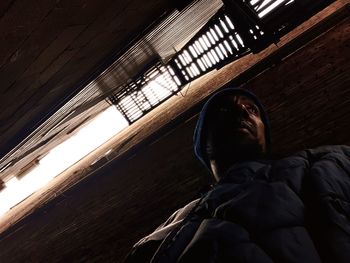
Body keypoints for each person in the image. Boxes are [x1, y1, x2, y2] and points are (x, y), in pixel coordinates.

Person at [125, 88, 350, 263]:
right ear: (205, 145)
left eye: (252, 110)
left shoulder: (328, 162)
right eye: (223, 111)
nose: (242, 112)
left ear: (264, 134)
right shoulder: (162, 235)